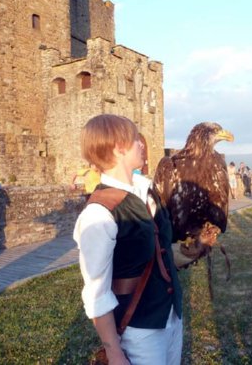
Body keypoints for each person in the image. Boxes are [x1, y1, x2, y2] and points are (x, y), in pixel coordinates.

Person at [73, 114, 182, 365]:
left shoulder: (148, 191)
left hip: (171, 316)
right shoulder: (99, 214)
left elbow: (162, 251)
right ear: (119, 147)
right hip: (138, 330)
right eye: (136, 140)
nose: (142, 144)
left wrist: (194, 249)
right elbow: (96, 292)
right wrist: (114, 353)